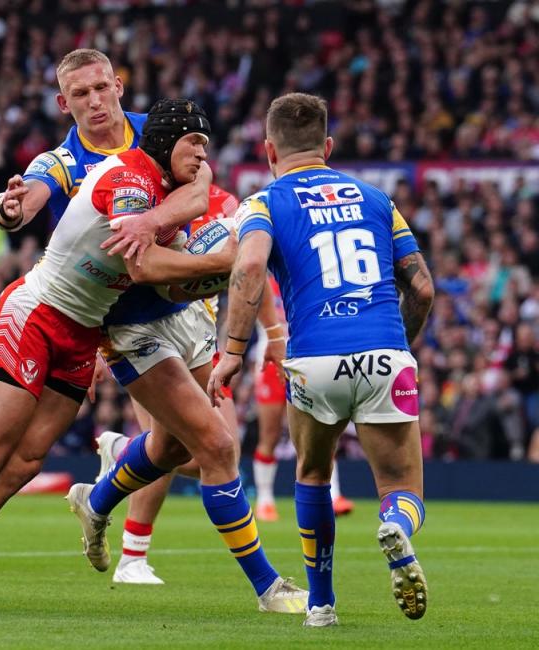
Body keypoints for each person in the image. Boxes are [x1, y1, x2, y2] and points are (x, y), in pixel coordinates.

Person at [0, 98, 305, 616]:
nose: (204, 154)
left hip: (84, 331)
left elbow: (186, 243)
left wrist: (209, 254)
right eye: (193, 142)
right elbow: (147, 268)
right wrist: (225, 260)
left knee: (25, 462)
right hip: (40, 312)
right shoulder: (127, 176)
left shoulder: (170, 186)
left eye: (206, 143)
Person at [0, 49, 284, 586]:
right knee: (214, 447)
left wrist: (150, 219)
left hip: (181, 304)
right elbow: (27, 198)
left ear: (119, 86)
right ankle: (236, 578)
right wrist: (11, 209)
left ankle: (101, 490)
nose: (94, 101)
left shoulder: (158, 130)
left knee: (184, 449)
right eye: (80, 94)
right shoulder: (59, 161)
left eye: (101, 88)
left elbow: (200, 187)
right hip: (123, 319)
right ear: (64, 104)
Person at [209, 92, 435, 627]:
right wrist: (397, 344)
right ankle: (397, 526)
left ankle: (320, 604)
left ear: (268, 151)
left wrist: (233, 354)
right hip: (384, 350)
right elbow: (422, 288)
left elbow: (249, 270)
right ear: (327, 146)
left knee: (311, 473)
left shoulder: (263, 203)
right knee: (402, 487)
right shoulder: (378, 199)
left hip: (313, 360)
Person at [251, 278, 354, 523]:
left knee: (323, 427)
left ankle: (334, 495)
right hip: (272, 362)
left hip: (307, 358)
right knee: (270, 434)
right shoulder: (263, 278)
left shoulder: (306, 274)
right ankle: (265, 500)